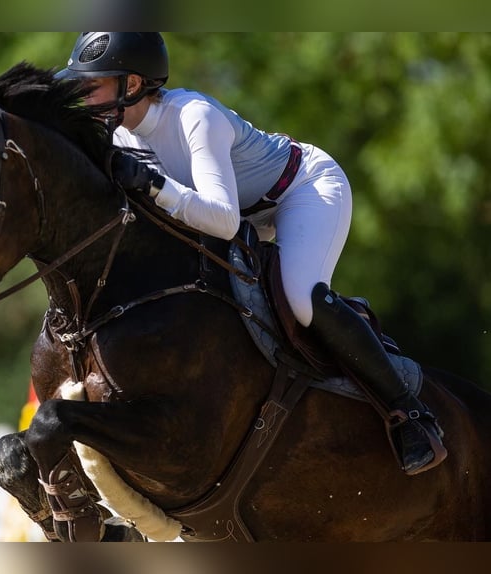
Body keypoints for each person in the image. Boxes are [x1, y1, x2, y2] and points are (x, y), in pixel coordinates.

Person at [55, 32, 447, 475]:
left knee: (301, 298)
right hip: (241, 212)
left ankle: (408, 413)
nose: (82, 99)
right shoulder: (123, 137)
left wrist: (152, 184)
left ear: (130, 85)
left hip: (302, 189)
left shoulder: (193, 116)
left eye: (91, 88)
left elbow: (221, 219)